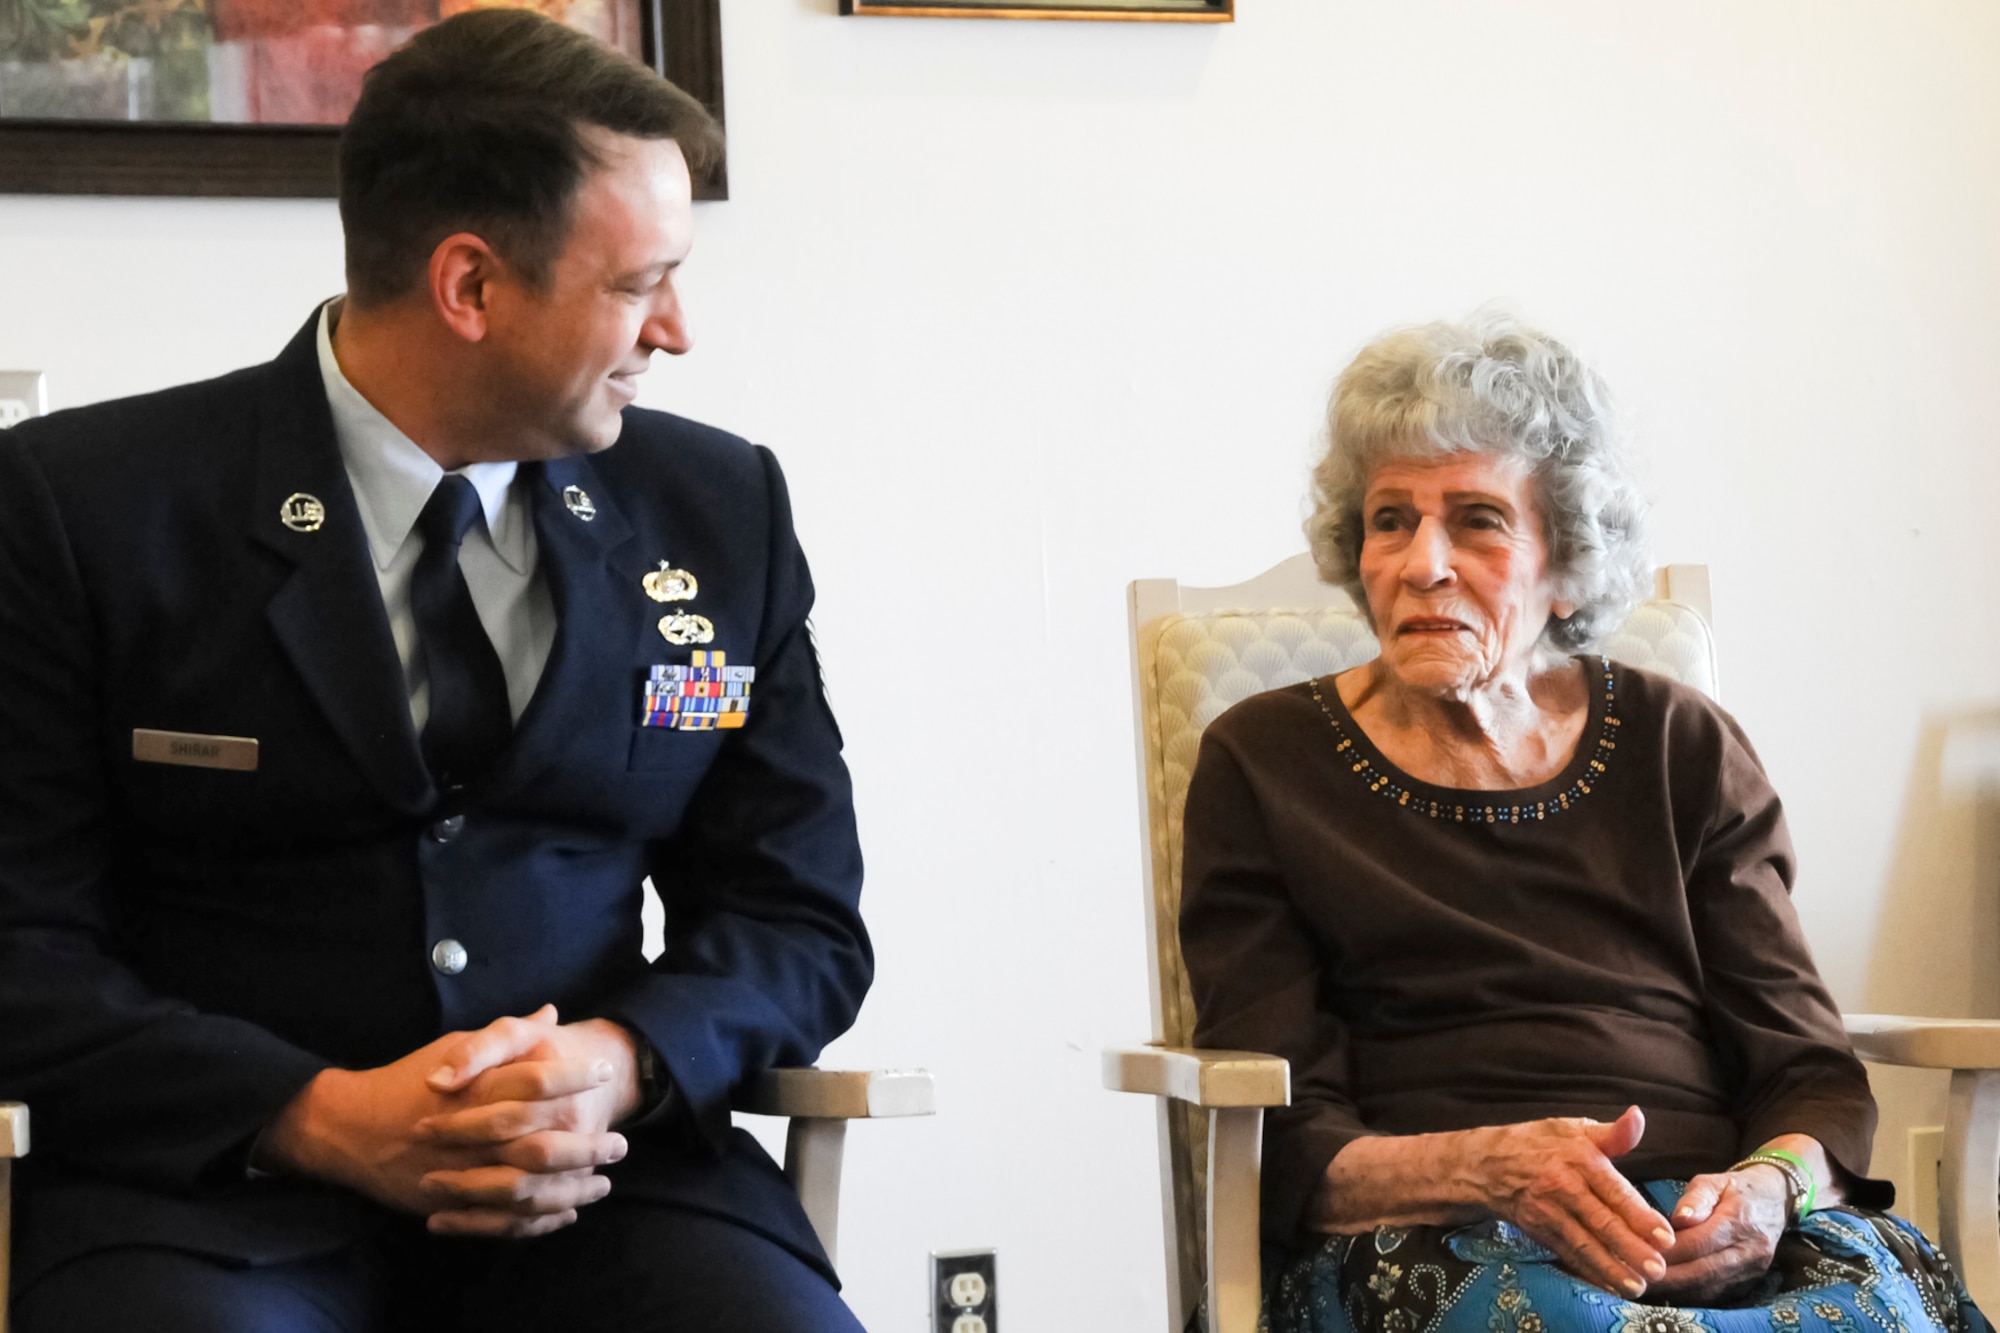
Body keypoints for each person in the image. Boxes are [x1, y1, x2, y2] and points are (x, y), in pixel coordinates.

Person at [0, 11, 871, 1331]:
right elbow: (20, 944)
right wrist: (314, 1113)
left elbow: (797, 913)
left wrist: (618, 1063)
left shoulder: (717, 508)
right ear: (470, 287)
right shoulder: (89, 509)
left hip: (604, 1184)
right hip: (209, 1198)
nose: (678, 330)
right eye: (640, 284)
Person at [1178, 313, 1986, 1333]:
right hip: (1439, 1229)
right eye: (1389, 520)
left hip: (1708, 1218)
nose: (1421, 561)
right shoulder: (1263, 760)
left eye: (1474, 518)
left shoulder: (1675, 741)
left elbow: (1805, 1073)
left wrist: (1765, 1192)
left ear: (1565, 561)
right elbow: (1288, 1141)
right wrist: (1487, 1166)